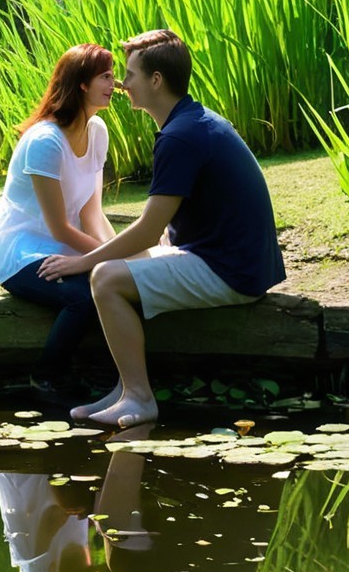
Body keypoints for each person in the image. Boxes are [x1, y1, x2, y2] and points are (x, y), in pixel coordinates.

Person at [39, 29, 285, 428]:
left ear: (156, 81)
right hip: (236, 260)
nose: (122, 83)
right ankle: (123, 391)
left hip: (231, 271)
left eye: (131, 74)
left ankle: (139, 397)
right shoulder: (192, 120)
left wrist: (82, 262)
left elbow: (148, 231)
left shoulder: (179, 137)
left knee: (105, 278)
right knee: (125, 263)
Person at [0, 43, 118, 389]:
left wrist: (115, 254)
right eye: (105, 76)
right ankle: (46, 377)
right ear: (81, 84)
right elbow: (58, 227)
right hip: (24, 253)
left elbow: (91, 212)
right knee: (83, 299)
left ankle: (112, 378)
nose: (114, 84)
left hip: (70, 252)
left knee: (117, 285)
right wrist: (106, 256)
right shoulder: (45, 141)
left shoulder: (97, 132)